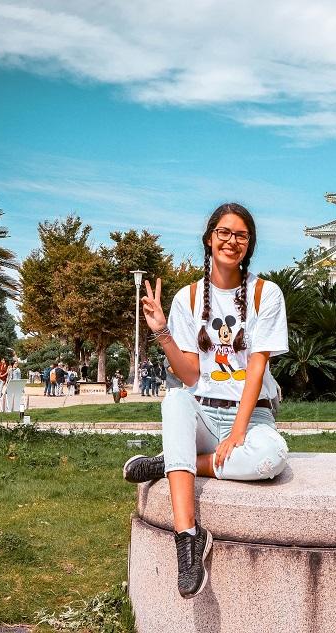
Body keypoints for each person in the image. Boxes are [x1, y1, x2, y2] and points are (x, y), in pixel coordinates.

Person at [122, 202, 289, 599]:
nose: (232, 241)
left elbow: (256, 368)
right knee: (177, 400)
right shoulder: (189, 298)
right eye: (224, 233)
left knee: (269, 460)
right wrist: (162, 332)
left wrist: (237, 432)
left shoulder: (267, 294)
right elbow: (192, 375)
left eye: (241, 235)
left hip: (251, 419)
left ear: (250, 245)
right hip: (202, 414)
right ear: (209, 238)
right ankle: (188, 539)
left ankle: (172, 463)